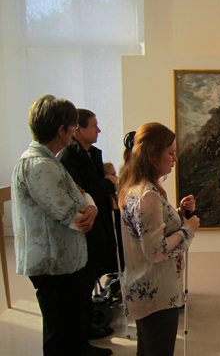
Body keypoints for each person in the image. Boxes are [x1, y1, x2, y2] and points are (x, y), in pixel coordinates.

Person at [11, 95, 98, 356]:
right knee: (60, 336)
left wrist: (88, 203)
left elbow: (81, 196)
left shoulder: (47, 162)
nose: (74, 133)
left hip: (59, 263)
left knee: (66, 330)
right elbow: (75, 215)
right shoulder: (40, 166)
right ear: (61, 130)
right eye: (72, 127)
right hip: (53, 265)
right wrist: (87, 206)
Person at [118, 122, 199, 356]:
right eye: (171, 153)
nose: (175, 159)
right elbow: (155, 251)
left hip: (142, 288)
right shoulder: (148, 195)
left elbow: (148, 228)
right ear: (154, 155)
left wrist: (178, 213)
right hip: (157, 294)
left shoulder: (133, 187)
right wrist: (188, 229)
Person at [58, 109, 118, 352]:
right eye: (94, 125)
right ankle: (80, 338)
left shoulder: (91, 154)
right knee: (81, 287)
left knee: (89, 281)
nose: (99, 130)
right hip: (84, 233)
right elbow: (81, 195)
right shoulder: (67, 159)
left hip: (97, 229)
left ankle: (87, 328)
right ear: (78, 129)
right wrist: (108, 183)